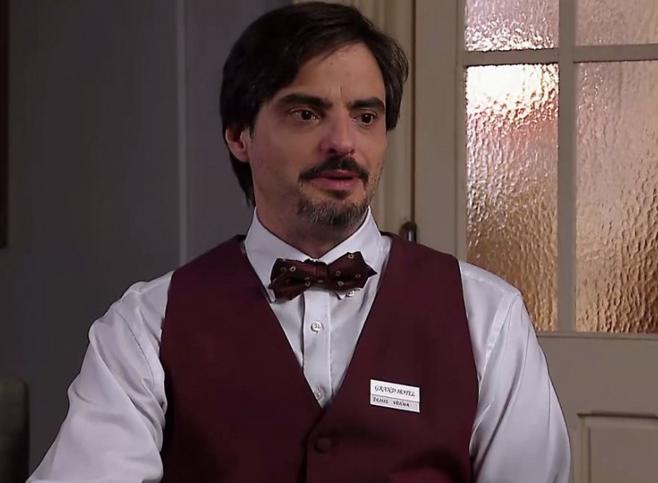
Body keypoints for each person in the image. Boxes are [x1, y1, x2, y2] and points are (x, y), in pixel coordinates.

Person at [29, 2, 570, 482]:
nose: (343, 142)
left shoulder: (488, 316)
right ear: (239, 136)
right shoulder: (146, 326)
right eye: (306, 114)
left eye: (365, 116)